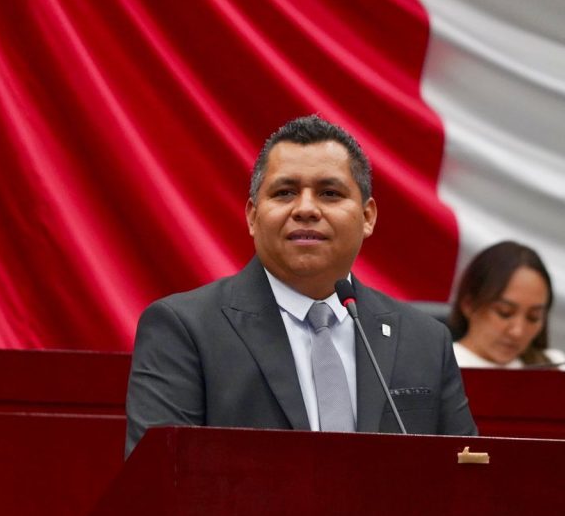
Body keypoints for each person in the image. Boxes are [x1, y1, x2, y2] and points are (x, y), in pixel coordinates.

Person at [124, 115, 477, 457]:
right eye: (285, 192)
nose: (306, 209)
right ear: (252, 216)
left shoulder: (426, 340)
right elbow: (158, 482)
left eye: (329, 193)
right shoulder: (184, 329)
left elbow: (466, 478)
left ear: (367, 217)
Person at [448, 241, 565, 370]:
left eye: (533, 317)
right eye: (504, 313)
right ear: (469, 305)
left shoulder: (555, 363)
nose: (517, 332)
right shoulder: (441, 368)